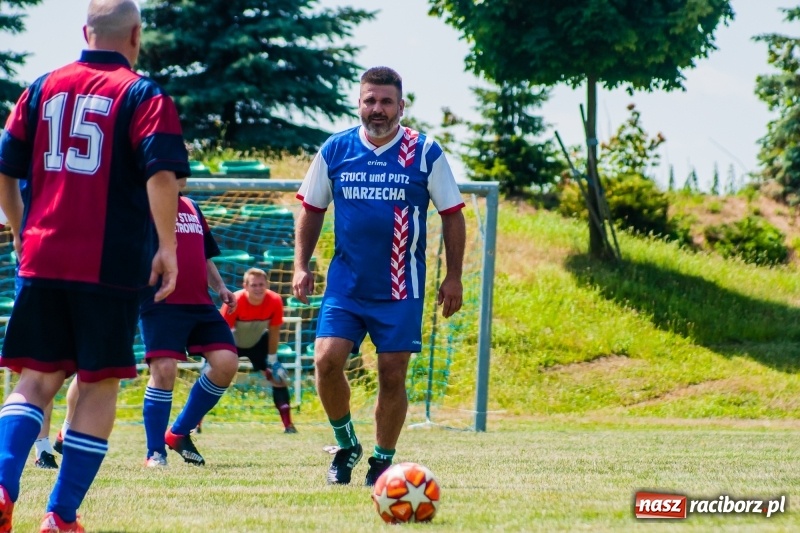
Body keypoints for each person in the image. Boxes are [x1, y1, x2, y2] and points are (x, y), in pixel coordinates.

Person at [0, 0, 184, 530]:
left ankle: (2, 483)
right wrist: (168, 246)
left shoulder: (40, 87)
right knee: (99, 384)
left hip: (42, 256)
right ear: (135, 35)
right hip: (108, 264)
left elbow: (5, 169)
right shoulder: (144, 94)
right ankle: (60, 514)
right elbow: (161, 173)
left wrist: (19, 229)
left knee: (34, 379)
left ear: (86, 31)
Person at [292, 66, 466, 486]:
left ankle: (381, 462)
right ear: (359, 103)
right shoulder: (335, 150)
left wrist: (454, 276)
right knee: (326, 361)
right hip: (346, 286)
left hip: (400, 288)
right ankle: (346, 445)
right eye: (370, 100)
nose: (377, 109)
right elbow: (311, 210)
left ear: (401, 106)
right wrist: (301, 264)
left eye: (386, 101)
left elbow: (452, 216)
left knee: (392, 374)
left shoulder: (426, 152)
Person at [140, 178, 239, 467]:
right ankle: (155, 452)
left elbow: (204, 255)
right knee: (165, 369)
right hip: (161, 302)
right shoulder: (145, 203)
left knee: (226, 363)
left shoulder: (192, 206)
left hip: (200, 303)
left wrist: (220, 287)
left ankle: (179, 432)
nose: (181, 173)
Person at [221, 268, 296, 433]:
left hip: (257, 343)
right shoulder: (234, 300)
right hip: (232, 342)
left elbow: (274, 331)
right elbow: (223, 331)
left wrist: (273, 359)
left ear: (267, 285)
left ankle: (288, 426)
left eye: (261, 284)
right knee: (213, 377)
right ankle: (196, 425)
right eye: (253, 285)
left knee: (278, 378)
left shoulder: (275, 300)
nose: (258, 288)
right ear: (245, 286)